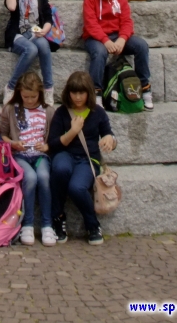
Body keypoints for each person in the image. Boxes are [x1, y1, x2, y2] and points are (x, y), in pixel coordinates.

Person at [48, 70, 116, 245]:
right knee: (60, 169)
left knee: (77, 187)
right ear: (68, 93)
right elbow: (53, 143)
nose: (77, 97)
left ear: (89, 93)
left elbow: (109, 134)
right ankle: (57, 218)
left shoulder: (98, 112)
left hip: (88, 159)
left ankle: (92, 225)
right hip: (65, 154)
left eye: (81, 93)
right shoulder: (62, 112)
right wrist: (73, 131)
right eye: (74, 93)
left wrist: (110, 139)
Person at [0, 71, 57, 247]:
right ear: (19, 94)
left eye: (33, 97)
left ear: (40, 93)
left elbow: (55, 138)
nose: (30, 100)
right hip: (20, 156)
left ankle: (47, 224)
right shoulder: (11, 109)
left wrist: (47, 146)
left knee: (44, 177)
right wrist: (14, 143)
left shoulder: (49, 111)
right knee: (30, 178)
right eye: (26, 97)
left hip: (40, 156)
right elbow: (3, 135)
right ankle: (27, 224)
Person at [82, 0, 153, 109]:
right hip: (95, 38)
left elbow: (127, 22)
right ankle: (96, 93)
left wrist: (122, 39)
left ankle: (144, 88)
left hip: (117, 36)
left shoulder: (121, 1)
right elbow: (91, 24)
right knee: (100, 52)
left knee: (141, 46)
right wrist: (105, 41)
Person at [3, 0, 57, 106]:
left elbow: (48, 17)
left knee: (43, 45)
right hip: (17, 33)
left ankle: (48, 88)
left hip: (34, 30)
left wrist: (45, 29)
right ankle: (11, 87)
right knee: (31, 49)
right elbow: (11, 7)